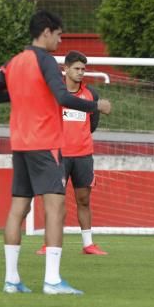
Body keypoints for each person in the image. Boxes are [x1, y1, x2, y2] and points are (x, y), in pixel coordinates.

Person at [0, 10, 112, 295]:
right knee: (56, 209)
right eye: (59, 34)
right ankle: (52, 280)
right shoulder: (47, 62)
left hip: (20, 144)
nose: (60, 39)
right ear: (46, 32)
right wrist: (95, 106)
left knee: (18, 208)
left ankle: (11, 280)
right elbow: (63, 96)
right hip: (46, 144)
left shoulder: (13, 62)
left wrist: (23, 92)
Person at [36, 51, 106, 255]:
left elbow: (92, 125)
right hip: (58, 155)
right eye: (76, 68)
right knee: (54, 201)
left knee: (84, 199)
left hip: (83, 155)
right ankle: (48, 243)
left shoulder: (92, 94)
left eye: (83, 69)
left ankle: (88, 244)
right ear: (65, 69)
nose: (80, 72)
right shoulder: (54, 93)